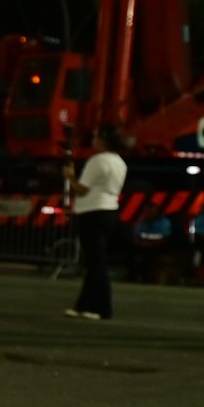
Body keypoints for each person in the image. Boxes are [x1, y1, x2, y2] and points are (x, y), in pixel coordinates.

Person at [64, 126, 126, 320]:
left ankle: (103, 307)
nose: (93, 141)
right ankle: (84, 305)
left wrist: (70, 176)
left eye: (96, 138)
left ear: (104, 142)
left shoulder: (97, 161)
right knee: (94, 260)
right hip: (109, 210)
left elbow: (81, 189)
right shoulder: (120, 162)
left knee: (96, 262)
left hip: (91, 211)